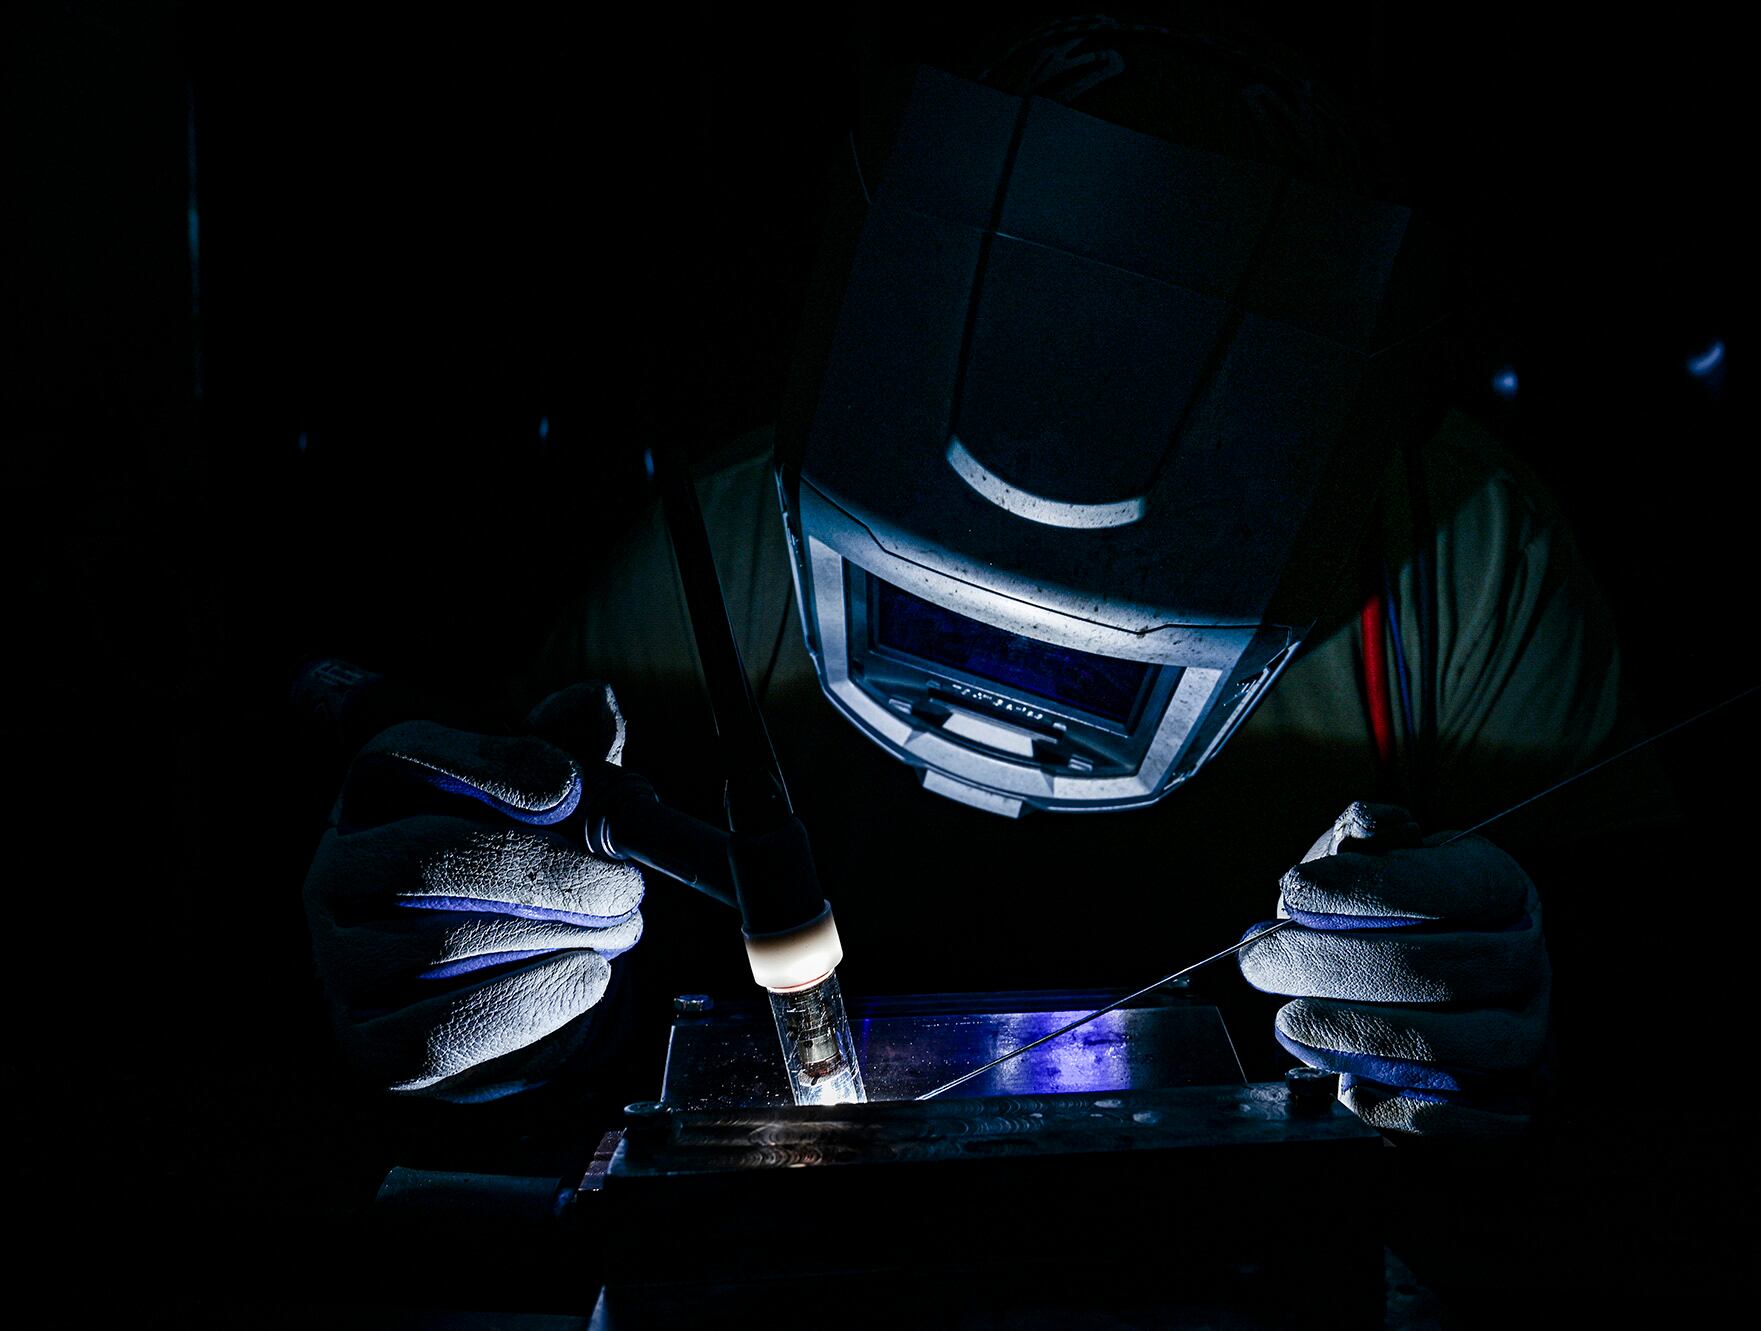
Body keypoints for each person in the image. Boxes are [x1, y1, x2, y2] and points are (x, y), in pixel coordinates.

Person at [301, 16, 1665, 1139]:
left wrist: (1545, 1000)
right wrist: (457, 962)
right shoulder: (720, 553)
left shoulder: (1470, 564)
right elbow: (476, 846)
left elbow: (1669, 962)